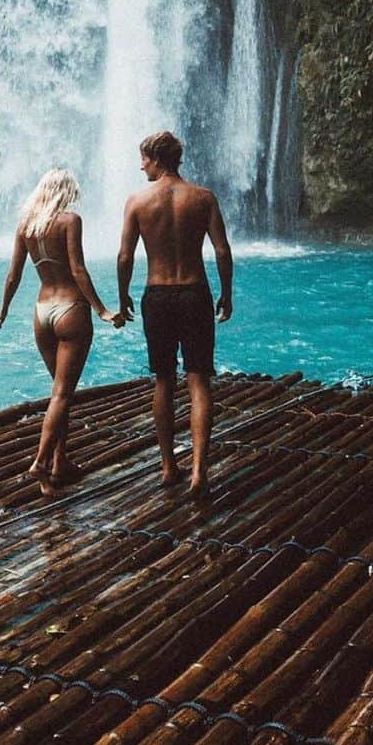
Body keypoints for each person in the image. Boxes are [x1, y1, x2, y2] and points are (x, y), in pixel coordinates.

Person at [117, 131, 233, 498]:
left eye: (144, 159)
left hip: (158, 294)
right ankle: (199, 471)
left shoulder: (137, 201)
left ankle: (169, 467)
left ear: (157, 159)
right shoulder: (203, 198)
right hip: (195, 292)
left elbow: (124, 256)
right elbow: (222, 251)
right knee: (199, 379)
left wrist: (122, 297)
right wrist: (227, 294)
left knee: (164, 380)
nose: (141, 166)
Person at [0, 168, 122, 493]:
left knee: (58, 395)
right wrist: (102, 309)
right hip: (70, 310)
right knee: (62, 394)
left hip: (41, 312)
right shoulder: (70, 221)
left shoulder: (26, 225)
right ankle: (40, 461)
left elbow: (13, 275)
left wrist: (4, 309)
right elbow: (78, 269)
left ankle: (58, 466)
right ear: (65, 192)